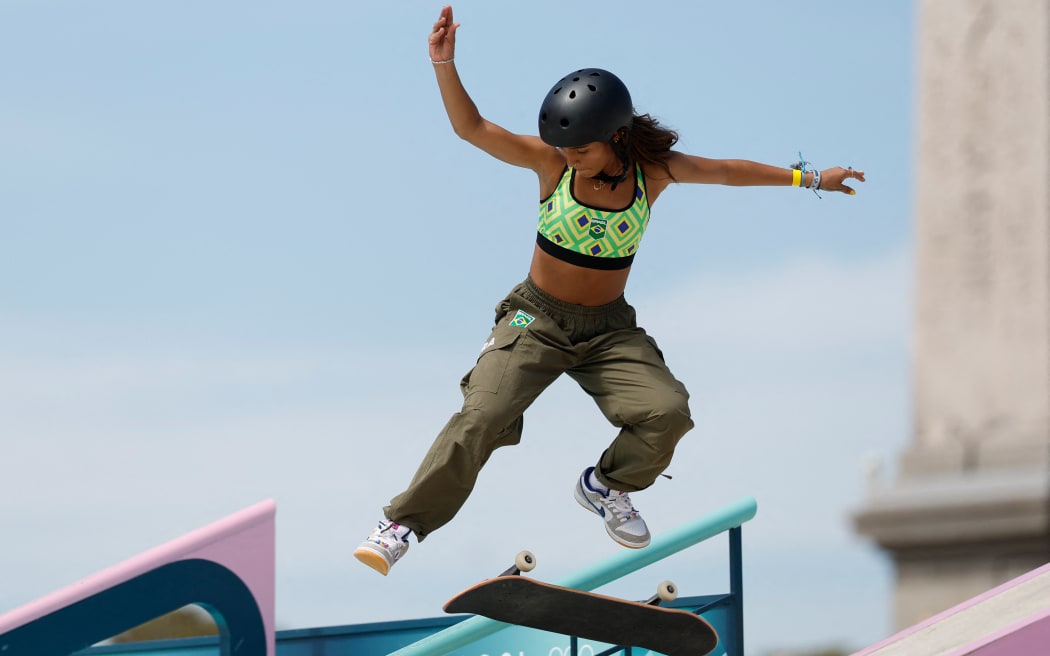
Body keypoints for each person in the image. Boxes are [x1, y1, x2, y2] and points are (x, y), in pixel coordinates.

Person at [353, 5, 865, 576]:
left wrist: (813, 177)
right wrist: (443, 62)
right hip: (534, 320)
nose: (571, 157)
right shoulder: (552, 165)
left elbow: (726, 170)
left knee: (668, 410)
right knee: (484, 413)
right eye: (566, 149)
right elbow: (472, 129)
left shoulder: (655, 173)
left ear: (615, 136)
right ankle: (403, 523)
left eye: (583, 149)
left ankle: (606, 485)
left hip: (609, 331)